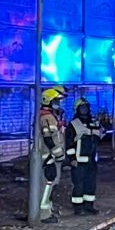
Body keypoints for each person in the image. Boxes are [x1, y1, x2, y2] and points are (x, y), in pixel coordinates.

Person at [64, 97, 105, 215]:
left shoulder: (94, 122)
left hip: (92, 160)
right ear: (77, 109)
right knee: (79, 185)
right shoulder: (73, 124)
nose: (84, 110)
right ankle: (78, 208)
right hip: (78, 160)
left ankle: (89, 206)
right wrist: (72, 159)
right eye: (82, 108)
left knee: (90, 184)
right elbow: (69, 143)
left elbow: (100, 136)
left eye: (86, 107)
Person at [34, 86, 67, 223]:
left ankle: (47, 210)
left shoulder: (50, 115)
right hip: (48, 157)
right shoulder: (47, 117)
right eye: (56, 101)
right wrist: (58, 154)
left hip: (50, 156)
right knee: (47, 184)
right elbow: (48, 138)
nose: (58, 104)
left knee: (51, 183)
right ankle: (43, 214)